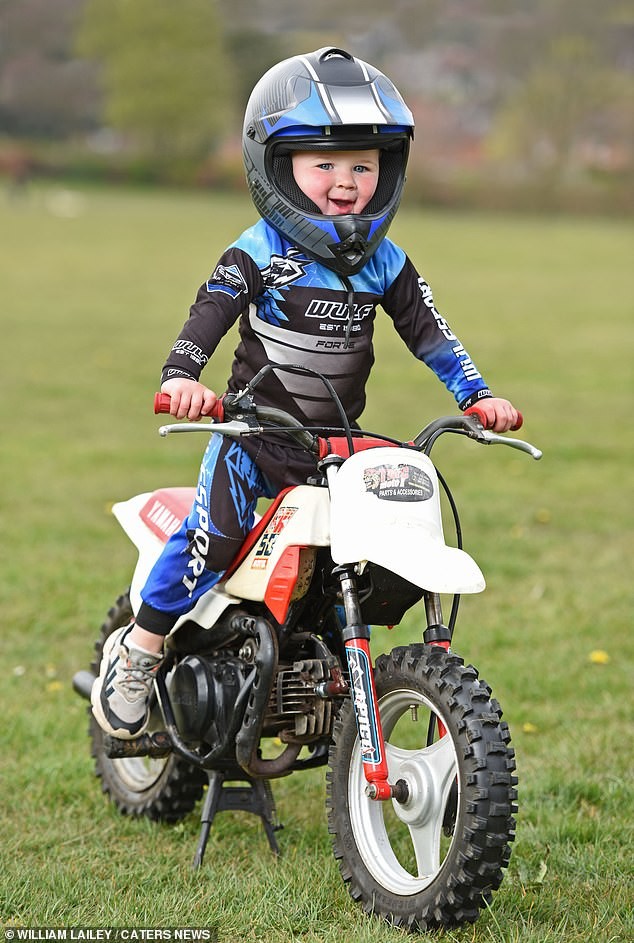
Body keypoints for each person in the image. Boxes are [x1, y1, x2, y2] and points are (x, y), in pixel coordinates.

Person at [91, 47, 520, 740]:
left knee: (383, 513)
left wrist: (477, 395)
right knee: (215, 537)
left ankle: (326, 673)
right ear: (277, 166)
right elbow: (209, 314)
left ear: (388, 170)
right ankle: (140, 648)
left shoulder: (388, 263)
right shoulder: (257, 252)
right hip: (252, 436)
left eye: (363, 164)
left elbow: (432, 335)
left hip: (332, 443)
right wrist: (181, 378)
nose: (346, 182)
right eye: (325, 164)